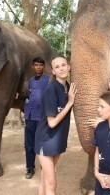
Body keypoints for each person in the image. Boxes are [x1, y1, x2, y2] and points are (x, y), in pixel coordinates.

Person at [35, 56, 77, 195]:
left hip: (58, 141)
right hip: (46, 140)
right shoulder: (51, 89)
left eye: (63, 65)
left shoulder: (69, 87)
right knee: (52, 183)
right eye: (57, 67)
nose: (61, 68)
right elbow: (52, 123)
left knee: (45, 178)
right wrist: (70, 103)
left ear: (69, 66)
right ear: (53, 71)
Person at [17, 57, 49, 179]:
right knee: (29, 144)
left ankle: (44, 166)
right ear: (32, 66)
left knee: (41, 143)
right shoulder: (30, 81)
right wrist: (20, 96)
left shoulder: (47, 79)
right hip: (29, 117)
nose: (38, 67)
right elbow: (31, 96)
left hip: (41, 117)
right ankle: (30, 168)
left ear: (44, 67)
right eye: (36, 65)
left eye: (41, 65)